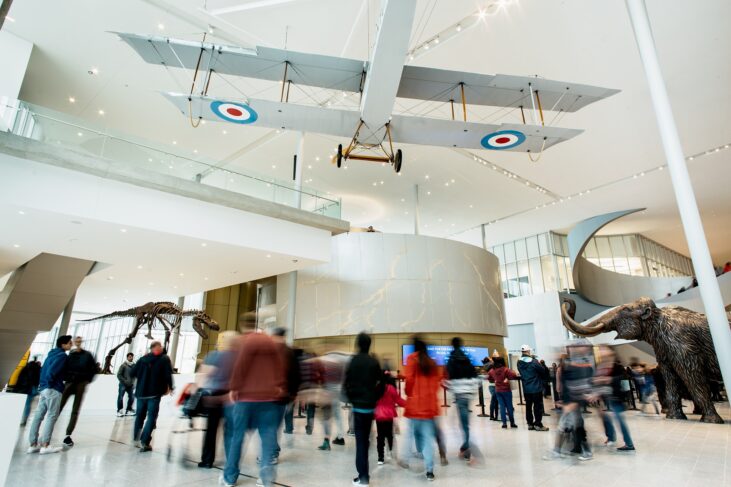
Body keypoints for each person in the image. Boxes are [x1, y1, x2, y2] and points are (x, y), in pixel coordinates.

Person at [222, 314, 288, 487]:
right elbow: (279, 367)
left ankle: (230, 477)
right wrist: (279, 386)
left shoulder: (247, 342)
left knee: (237, 437)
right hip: (269, 399)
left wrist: (234, 388)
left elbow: (241, 366)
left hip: (246, 399)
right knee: (267, 436)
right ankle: (266, 475)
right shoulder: (270, 342)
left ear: (243, 326)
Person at [399, 336, 441, 481]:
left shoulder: (412, 359)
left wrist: (409, 393)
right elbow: (436, 385)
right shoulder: (432, 362)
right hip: (429, 408)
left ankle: (405, 460)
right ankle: (430, 471)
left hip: (415, 406)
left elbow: (409, 381)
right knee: (428, 439)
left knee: (409, 434)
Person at [343, 332, 382, 486]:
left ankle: (363, 476)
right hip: (370, 408)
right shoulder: (374, 362)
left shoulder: (353, 361)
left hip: (358, 408)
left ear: (358, 344)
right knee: (365, 439)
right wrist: (374, 398)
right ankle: (364, 473)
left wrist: (352, 399)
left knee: (361, 443)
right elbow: (381, 384)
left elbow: (346, 383)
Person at [27, 335, 73, 455]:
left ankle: (33, 444)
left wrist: (43, 385)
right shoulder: (62, 356)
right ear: (63, 345)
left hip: (43, 388)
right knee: (52, 416)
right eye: (69, 343)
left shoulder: (51, 354)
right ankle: (45, 445)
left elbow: (44, 370)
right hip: (52, 389)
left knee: (39, 415)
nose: (71, 344)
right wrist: (51, 384)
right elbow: (52, 371)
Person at [197, 331, 237, 469]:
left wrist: (198, 390)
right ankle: (231, 462)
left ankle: (207, 460)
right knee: (230, 430)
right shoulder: (238, 357)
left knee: (211, 431)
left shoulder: (213, 356)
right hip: (231, 398)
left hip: (214, 398)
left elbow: (202, 377)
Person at [131, 341, 174, 452]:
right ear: (155, 348)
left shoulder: (142, 359)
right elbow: (168, 375)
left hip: (141, 393)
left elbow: (132, 373)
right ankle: (144, 441)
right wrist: (170, 386)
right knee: (151, 417)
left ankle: (136, 437)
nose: (162, 348)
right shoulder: (164, 359)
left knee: (140, 416)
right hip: (154, 394)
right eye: (160, 346)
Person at [58, 336, 98, 448]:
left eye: (80, 341)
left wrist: (86, 381)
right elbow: (64, 368)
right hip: (70, 383)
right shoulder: (70, 355)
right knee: (59, 406)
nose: (78, 342)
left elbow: (94, 369)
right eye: (76, 341)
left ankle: (68, 435)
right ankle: (48, 431)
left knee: (75, 410)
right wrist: (67, 378)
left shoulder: (88, 355)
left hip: (81, 384)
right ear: (74, 342)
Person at [594, 346, 635, 452]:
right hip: (605, 396)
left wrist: (609, 379)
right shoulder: (600, 365)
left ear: (611, 351)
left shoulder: (617, 365)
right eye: (600, 350)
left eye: (604, 349)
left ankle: (629, 444)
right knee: (605, 418)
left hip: (616, 396)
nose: (602, 352)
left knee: (619, 419)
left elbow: (623, 378)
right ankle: (611, 437)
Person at [445, 336, 479, 460]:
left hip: (459, 395)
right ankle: (465, 447)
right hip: (468, 394)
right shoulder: (467, 359)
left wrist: (451, 388)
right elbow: (475, 376)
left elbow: (450, 378)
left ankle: (470, 450)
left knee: (461, 424)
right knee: (464, 423)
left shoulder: (451, 359)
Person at [315, 347, 350, 451]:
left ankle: (327, 442)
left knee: (326, 417)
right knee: (337, 414)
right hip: (337, 392)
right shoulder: (340, 362)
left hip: (328, 393)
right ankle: (340, 437)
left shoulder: (326, 361)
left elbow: (322, 378)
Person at [374, 370, 405, 465]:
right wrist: (409, 404)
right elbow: (399, 400)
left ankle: (380, 457)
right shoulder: (391, 388)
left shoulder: (377, 388)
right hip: (388, 415)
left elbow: (372, 401)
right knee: (389, 435)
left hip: (379, 416)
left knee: (380, 436)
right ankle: (390, 451)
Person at [516, 345, 549, 432]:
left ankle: (530, 424)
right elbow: (542, 370)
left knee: (528, 406)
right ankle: (538, 424)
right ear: (528, 351)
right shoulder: (534, 361)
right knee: (537, 407)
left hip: (526, 388)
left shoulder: (519, 362)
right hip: (536, 388)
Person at [487, 356, 518, 429]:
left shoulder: (492, 370)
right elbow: (513, 376)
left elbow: (489, 378)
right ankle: (512, 423)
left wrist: (495, 380)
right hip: (506, 390)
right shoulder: (506, 369)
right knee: (509, 406)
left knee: (502, 407)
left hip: (498, 390)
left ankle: (504, 423)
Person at [17, 356, 42, 427]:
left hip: (25, 387)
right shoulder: (37, 369)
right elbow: (38, 379)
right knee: (28, 404)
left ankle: (22, 419)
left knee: (25, 404)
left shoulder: (26, 367)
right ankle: (24, 419)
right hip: (32, 388)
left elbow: (20, 377)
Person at [116, 352, 136, 417]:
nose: (130, 357)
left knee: (132, 397)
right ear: (127, 357)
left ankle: (128, 410)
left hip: (130, 385)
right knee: (120, 397)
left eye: (131, 356)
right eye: (129, 356)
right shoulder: (123, 365)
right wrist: (125, 381)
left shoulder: (134, 366)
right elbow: (119, 375)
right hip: (123, 384)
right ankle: (119, 410)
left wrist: (133, 382)